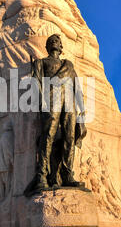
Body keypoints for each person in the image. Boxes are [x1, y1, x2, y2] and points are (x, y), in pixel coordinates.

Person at [24, 34, 87, 196]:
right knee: (48, 137)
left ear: (61, 47)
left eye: (57, 41)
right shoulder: (40, 62)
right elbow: (35, 83)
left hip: (69, 103)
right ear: (47, 47)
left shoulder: (69, 65)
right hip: (51, 101)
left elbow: (77, 89)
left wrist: (82, 111)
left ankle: (67, 174)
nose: (54, 42)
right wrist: (40, 103)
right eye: (51, 41)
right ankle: (42, 176)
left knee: (70, 138)